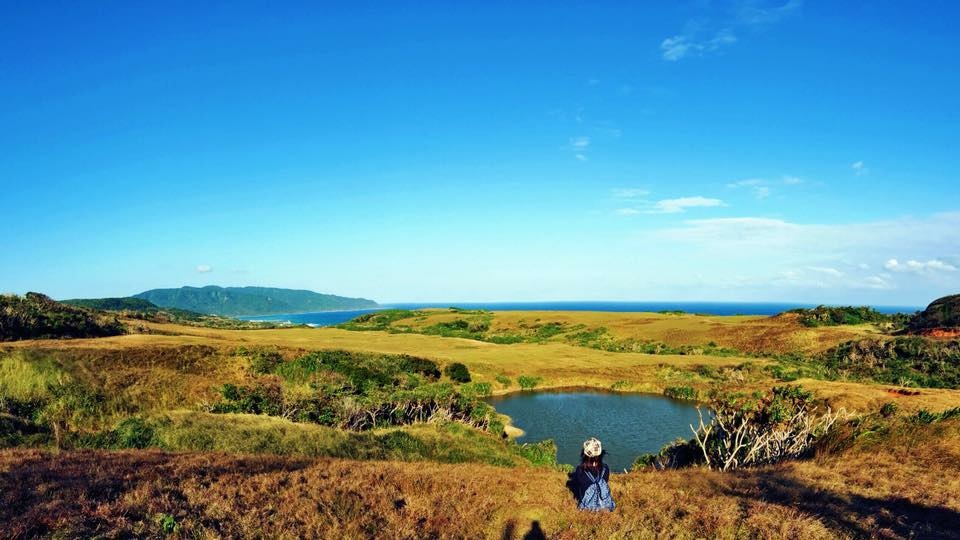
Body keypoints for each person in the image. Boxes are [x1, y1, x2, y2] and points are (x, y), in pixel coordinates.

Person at [573, 437, 615, 511]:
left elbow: (579, 484)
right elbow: (605, 481)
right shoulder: (606, 469)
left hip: (587, 507)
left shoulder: (580, 470)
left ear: (584, 454)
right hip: (605, 506)